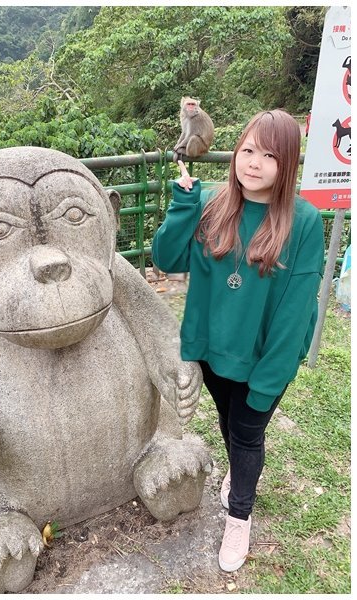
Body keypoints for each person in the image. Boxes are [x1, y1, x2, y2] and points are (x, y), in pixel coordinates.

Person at [151, 110, 324, 572]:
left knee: (248, 435)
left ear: (287, 163)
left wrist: (268, 382)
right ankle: (238, 472)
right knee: (231, 423)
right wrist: (183, 203)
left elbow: (295, 312)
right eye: (248, 150)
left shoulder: (303, 221)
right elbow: (166, 258)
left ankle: (239, 516)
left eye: (270, 155)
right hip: (213, 352)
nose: (254, 163)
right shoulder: (210, 202)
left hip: (264, 358)